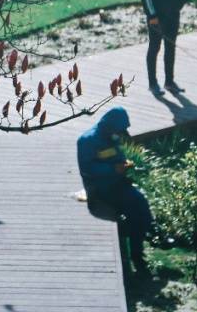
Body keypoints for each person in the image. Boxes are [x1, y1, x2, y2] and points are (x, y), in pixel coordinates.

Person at [77, 107, 154, 276]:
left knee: (142, 207)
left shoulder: (113, 137)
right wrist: (113, 169)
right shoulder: (87, 140)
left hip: (119, 184)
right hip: (100, 189)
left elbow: (115, 156)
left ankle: (141, 243)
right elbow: (87, 168)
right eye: (119, 130)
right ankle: (135, 255)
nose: (121, 134)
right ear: (109, 126)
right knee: (135, 212)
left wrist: (124, 164)